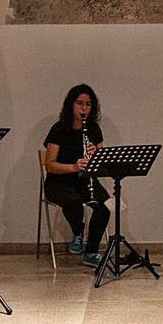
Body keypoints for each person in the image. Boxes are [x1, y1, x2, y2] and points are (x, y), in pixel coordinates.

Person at [43, 84, 110, 268]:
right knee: (72, 201)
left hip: (84, 179)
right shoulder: (59, 129)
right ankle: (78, 232)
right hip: (58, 181)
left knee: (105, 205)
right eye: (80, 103)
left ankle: (91, 252)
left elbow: (101, 162)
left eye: (88, 104)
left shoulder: (93, 129)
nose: (84, 108)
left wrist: (96, 152)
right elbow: (49, 165)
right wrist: (73, 166)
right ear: (70, 105)